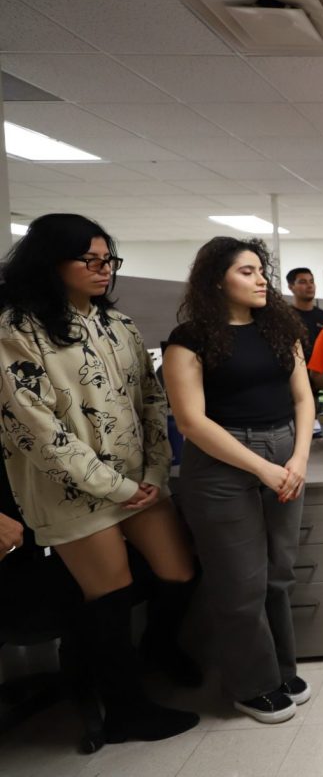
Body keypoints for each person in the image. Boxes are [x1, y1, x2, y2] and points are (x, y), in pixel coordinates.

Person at [0, 213, 199, 743]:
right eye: (90, 260)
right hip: (71, 490)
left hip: (139, 479)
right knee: (110, 595)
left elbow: (151, 401)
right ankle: (125, 710)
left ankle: (158, 649)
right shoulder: (17, 329)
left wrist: (154, 469)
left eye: (109, 259)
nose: (104, 269)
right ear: (51, 262)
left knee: (180, 572)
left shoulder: (119, 324)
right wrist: (116, 486)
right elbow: (37, 430)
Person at [164, 237, 314, 725]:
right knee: (240, 582)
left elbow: (303, 399)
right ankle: (252, 687)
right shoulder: (190, 338)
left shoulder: (280, 329)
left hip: (285, 450)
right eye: (246, 272)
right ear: (216, 280)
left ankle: (281, 671)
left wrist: (299, 458)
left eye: (260, 271)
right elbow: (191, 422)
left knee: (278, 573)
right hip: (223, 460)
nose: (260, 279)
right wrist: (262, 467)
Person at [286, 267, 323, 363]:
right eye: (303, 282)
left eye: (311, 282)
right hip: (295, 368)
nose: (309, 286)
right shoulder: (285, 316)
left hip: (321, 369)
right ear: (291, 287)